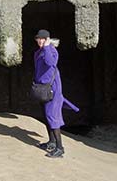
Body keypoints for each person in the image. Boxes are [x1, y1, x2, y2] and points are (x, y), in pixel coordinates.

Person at [33, 29, 79, 158]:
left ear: (47, 39)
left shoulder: (52, 51)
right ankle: (52, 142)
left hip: (53, 89)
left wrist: (47, 47)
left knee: (53, 117)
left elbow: (50, 63)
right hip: (43, 89)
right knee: (46, 116)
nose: (40, 41)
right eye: (38, 39)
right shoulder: (38, 52)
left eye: (43, 39)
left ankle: (60, 148)